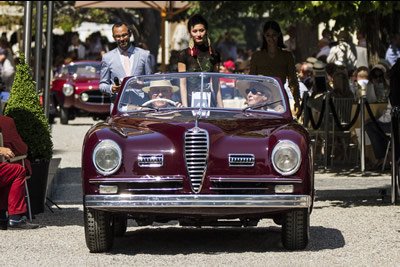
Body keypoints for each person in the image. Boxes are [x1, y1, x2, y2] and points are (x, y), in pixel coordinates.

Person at [99, 22, 153, 111]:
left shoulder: (144, 55)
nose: (121, 39)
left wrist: (143, 85)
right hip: (119, 107)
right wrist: (112, 88)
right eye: (118, 36)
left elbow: (151, 81)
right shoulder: (107, 58)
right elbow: (102, 85)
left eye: (124, 35)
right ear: (114, 38)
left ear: (130, 34)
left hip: (141, 106)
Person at [249, 20, 300, 113]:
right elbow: (251, 81)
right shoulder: (257, 56)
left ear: (279, 35)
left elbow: (293, 81)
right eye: (268, 35)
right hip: (261, 98)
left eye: (274, 35)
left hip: (280, 98)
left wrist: (297, 100)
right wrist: (251, 98)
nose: (271, 38)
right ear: (264, 36)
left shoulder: (287, 56)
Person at [0, 115, 39, 230]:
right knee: (17, 170)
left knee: (9, 170)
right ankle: (15, 217)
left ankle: (2, 217)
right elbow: (21, 148)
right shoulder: (6, 122)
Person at [177, 14, 222, 107]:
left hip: (208, 101)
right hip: (189, 101)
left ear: (206, 31)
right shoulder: (184, 54)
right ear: (190, 32)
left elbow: (216, 84)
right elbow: (183, 84)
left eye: (201, 30)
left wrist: (221, 107)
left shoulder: (214, 54)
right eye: (195, 31)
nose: (198, 34)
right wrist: (185, 108)